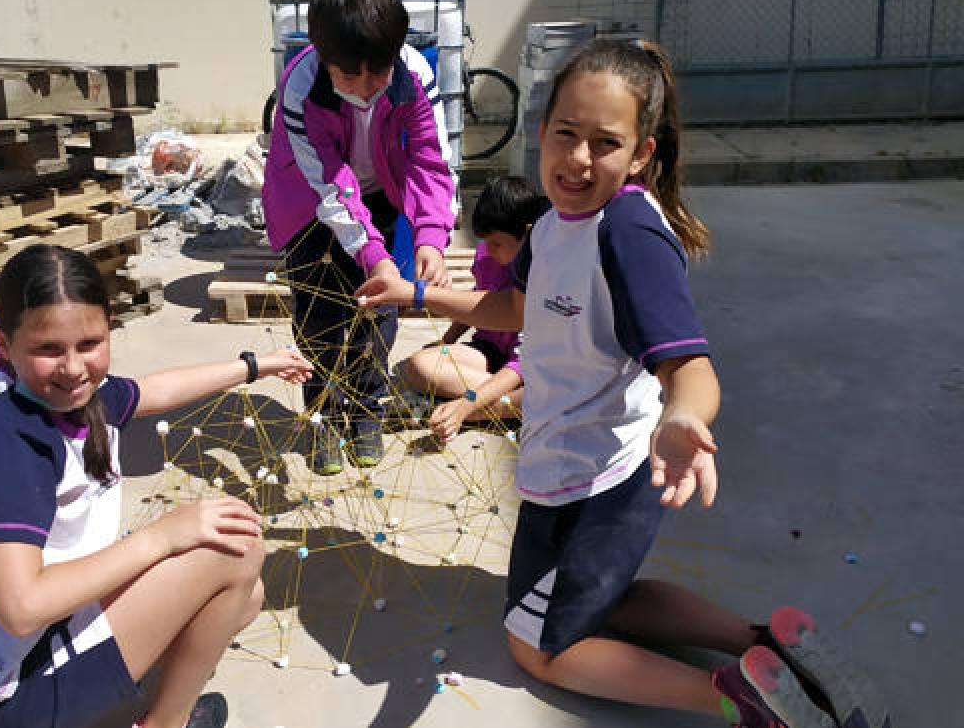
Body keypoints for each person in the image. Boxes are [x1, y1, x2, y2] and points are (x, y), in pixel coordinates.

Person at [356, 38, 888, 728]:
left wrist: (684, 417)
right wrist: (417, 294)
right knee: (596, 601)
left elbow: (690, 366)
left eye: (604, 143)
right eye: (565, 134)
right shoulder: (552, 225)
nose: (578, 158)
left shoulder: (629, 233)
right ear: (541, 132)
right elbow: (512, 307)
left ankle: (742, 700)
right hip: (561, 466)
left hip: (605, 482)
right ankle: (771, 643)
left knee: (536, 646)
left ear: (641, 154)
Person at [0, 244, 312, 728]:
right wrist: (162, 537)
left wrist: (253, 366)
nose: (74, 368)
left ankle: (121, 694)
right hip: (8, 695)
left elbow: (153, 391)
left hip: (34, 640)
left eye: (89, 344)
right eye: (48, 349)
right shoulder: (0, 443)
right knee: (236, 550)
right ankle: (164, 723)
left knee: (242, 596)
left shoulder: (65, 395)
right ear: (3, 342)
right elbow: (22, 608)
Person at [262, 0, 456, 475]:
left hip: (380, 195)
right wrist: (373, 254)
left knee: (379, 312)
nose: (366, 89)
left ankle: (367, 411)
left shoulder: (413, 75)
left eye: (378, 73)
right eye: (349, 76)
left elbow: (431, 159)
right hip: (311, 204)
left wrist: (430, 236)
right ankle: (325, 415)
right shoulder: (301, 87)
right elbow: (331, 183)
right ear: (324, 57)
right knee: (320, 314)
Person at [397, 175, 545, 444]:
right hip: (490, 353)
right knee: (419, 365)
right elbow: (478, 302)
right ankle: (505, 405)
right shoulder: (486, 256)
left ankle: (484, 410)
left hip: (529, 367)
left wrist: (467, 404)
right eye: (485, 241)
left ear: (527, 234)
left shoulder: (542, 273)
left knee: (546, 393)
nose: (489, 249)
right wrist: (447, 340)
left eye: (496, 243)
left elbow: (521, 364)